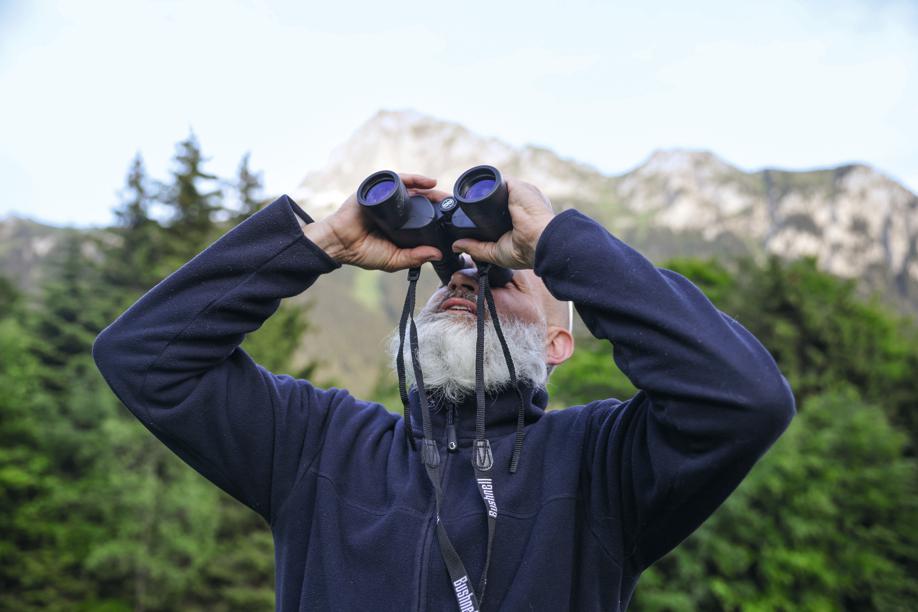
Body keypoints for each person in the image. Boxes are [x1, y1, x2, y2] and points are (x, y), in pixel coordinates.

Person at [92, 172, 795, 611]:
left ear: (558, 346)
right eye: (453, 277)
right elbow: (144, 355)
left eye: (500, 279)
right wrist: (320, 243)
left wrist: (555, 243)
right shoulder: (320, 444)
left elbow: (743, 398)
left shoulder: (601, 465)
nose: (465, 281)